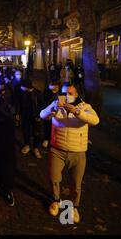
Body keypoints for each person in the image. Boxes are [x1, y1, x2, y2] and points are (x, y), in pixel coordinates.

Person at [40, 83, 99, 223]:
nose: (67, 96)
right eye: (65, 93)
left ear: (77, 94)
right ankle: (56, 200)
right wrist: (53, 109)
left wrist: (77, 112)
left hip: (77, 152)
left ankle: (75, 207)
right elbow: (42, 115)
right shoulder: (56, 104)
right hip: (57, 150)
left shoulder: (85, 107)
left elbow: (95, 120)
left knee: (76, 184)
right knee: (54, 178)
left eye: (71, 93)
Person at [18, 79, 44, 159]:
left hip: (36, 116)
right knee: (26, 131)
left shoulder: (38, 93)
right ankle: (27, 145)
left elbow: (41, 105)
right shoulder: (22, 93)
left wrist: (39, 116)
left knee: (36, 132)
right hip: (25, 116)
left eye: (22, 86)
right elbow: (19, 104)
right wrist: (18, 113)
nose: (21, 88)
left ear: (26, 87)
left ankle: (36, 148)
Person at [42, 79, 61, 149]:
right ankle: (46, 139)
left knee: (56, 127)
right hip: (49, 112)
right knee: (47, 126)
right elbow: (44, 101)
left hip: (58, 113)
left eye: (56, 85)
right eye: (52, 85)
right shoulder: (47, 92)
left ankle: (54, 141)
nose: (54, 87)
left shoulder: (61, 93)